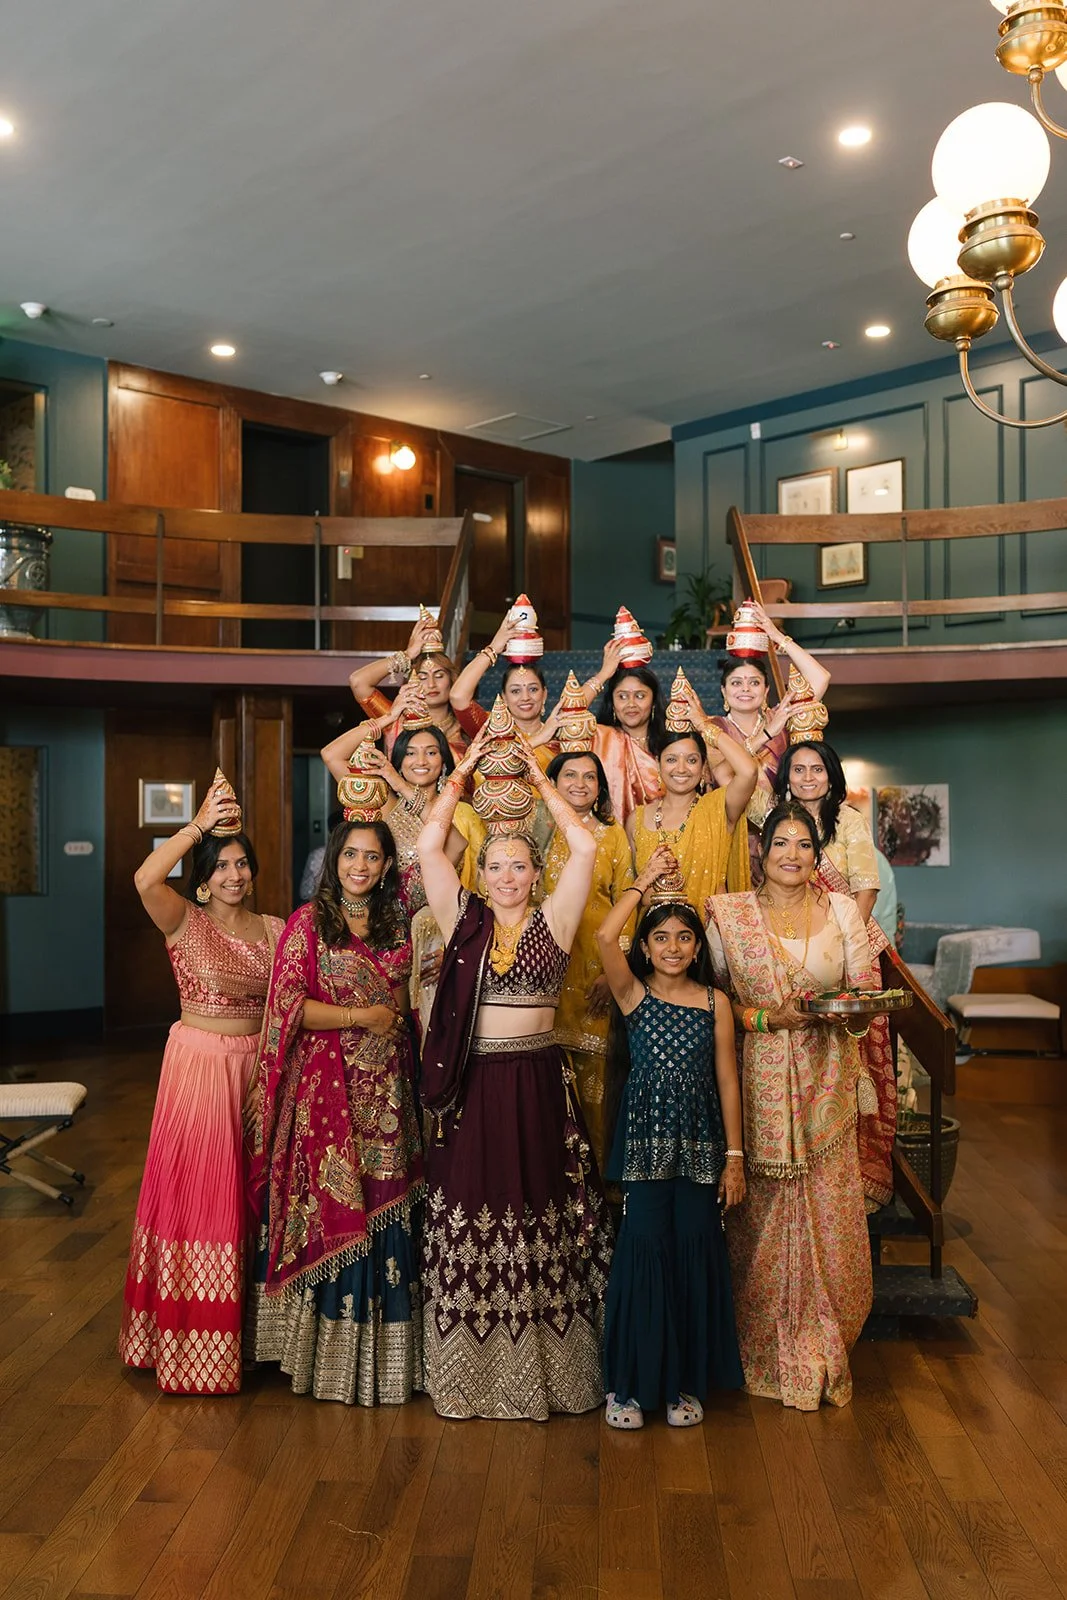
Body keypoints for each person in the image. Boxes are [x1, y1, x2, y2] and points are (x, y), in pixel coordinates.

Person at [416, 721, 613, 1421]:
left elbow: (585, 845)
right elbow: (427, 847)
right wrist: (461, 771)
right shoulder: (462, 920)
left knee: (538, 1206)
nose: (506, 876)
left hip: (535, 1083)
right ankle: (470, 1375)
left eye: (518, 866)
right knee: (476, 1202)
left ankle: (550, 1372)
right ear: (481, 874)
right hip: (474, 1085)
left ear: (535, 874)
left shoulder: (555, 921)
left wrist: (537, 778)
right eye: (495, 866)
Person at [247, 818, 423, 1405]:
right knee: (334, 1207)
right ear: (334, 860)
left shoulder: (397, 923)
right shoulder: (308, 924)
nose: (359, 867)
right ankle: (324, 1361)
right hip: (327, 1094)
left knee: (385, 1204)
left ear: (386, 865)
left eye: (372, 857)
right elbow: (289, 1008)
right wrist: (360, 1017)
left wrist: (393, 1017)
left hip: (387, 1091)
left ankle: (388, 1366)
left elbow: (404, 1002)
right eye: (350, 854)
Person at [706, 803, 876, 1411]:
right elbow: (715, 1000)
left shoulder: (842, 912)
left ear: (817, 853)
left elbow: (865, 992)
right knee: (763, 1213)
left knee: (829, 1211)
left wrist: (842, 1013)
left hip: (827, 1080)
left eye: (804, 844)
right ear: (762, 850)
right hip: (758, 1078)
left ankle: (824, 1342)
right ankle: (758, 1345)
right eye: (781, 842)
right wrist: (767, 1018)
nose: (792, 855)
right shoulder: (728, 916)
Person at [120, 777, 283, 1394]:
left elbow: (292, 1004)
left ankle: (256, 1339)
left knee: (256, 1200)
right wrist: (196, 827)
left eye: (242, 864)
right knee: (203, 1197)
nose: (234, 875)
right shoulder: (183, 920)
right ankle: (194, 1347)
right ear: (203, 879)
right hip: (201, 1067)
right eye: (221, 867)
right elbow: (144, 879)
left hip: (258, 1070)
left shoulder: (276, 930)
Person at [595, 844, 745, 1430]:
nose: (674, 947)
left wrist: (734, 1158)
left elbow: (727, 1080)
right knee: (644, 1253)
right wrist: (645, 880)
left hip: (702, 1150)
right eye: (661, 938)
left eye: (685, 937)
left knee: (693, 1255)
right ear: (646, 947)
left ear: (698, 947)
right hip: (646, 1148)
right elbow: (605, 937)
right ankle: (630, 1388)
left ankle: (684, 1382)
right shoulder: (634, 994)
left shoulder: (715, 1002)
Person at [774, 741, 894, 1209]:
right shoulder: (775, 819)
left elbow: (865, 891)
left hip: (848, 953)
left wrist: (845, 949)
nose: (808, 778)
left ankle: (855, 1174)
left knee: (849, 1063)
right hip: (793, 951)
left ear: (831, 776)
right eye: (798, 769)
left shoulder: (848, 821)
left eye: (817, 769)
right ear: (786, 775)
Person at [542, 747, 634, 1172]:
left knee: (597, 1088)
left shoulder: (612, 837)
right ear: (552, 784)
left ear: (600, 788)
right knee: (548, 1085)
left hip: (596, 972)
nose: (580, 784)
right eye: (570, 775)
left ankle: (597, 1188)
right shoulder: (538, 833)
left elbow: (627, 903)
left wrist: (615, 973)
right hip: (544, 973)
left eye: (589, 777)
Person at [704, 603, 831, 880]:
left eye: (754, 682)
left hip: (783, 839)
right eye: (736, 683)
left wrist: (777, 636)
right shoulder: (713, 729)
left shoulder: (781, 718)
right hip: (733, 839)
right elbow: (724, 776)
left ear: (766, 690)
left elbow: (821, 679)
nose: (745, 689)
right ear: (724, 691)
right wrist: (766, 735)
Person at [320, 682, 472, 914]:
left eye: (431, 752)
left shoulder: (460, 812)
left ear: (443, 762)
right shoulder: (385, 804)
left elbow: (456, 845)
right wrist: (388, 719)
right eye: (410, 753)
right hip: (384, 920)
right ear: (399, 762)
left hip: (437, 923)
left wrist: (399, 784)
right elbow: (331, 755)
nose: (420, 761)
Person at [628, 682, 757, 904]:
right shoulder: (637, 819)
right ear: (658, 764)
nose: (681, 769)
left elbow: (748, 771)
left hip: (706, 925)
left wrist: (704, 726)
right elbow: (630, 892)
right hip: (650, 925)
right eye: (671, 759)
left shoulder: (719, 808)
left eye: (691, 760)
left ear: (703, 766)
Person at [348, 610, 467, 759]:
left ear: (452, 680)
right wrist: (407, 655)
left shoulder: (467, 725)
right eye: (422, 677)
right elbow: (358, 681)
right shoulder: (396, 721)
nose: (431, 684)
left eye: (439, 676)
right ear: (412, 683)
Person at [449, 610, 558, 770]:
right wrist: (493, 648)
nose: (525, 697)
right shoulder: (491, 731)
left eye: (533, 689)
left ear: (545, 694)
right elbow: (458, 696)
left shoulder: (558, 737)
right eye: (515, 691)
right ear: (504, 698)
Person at [583, 639, 667, 824]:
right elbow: (568, 713)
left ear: (653, 702)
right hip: (610, 835)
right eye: (622, 696)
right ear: (612, 703)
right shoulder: (600, 738)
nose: (631, 704)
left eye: (640, 696)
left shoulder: (670, 744)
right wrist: (604, 674)